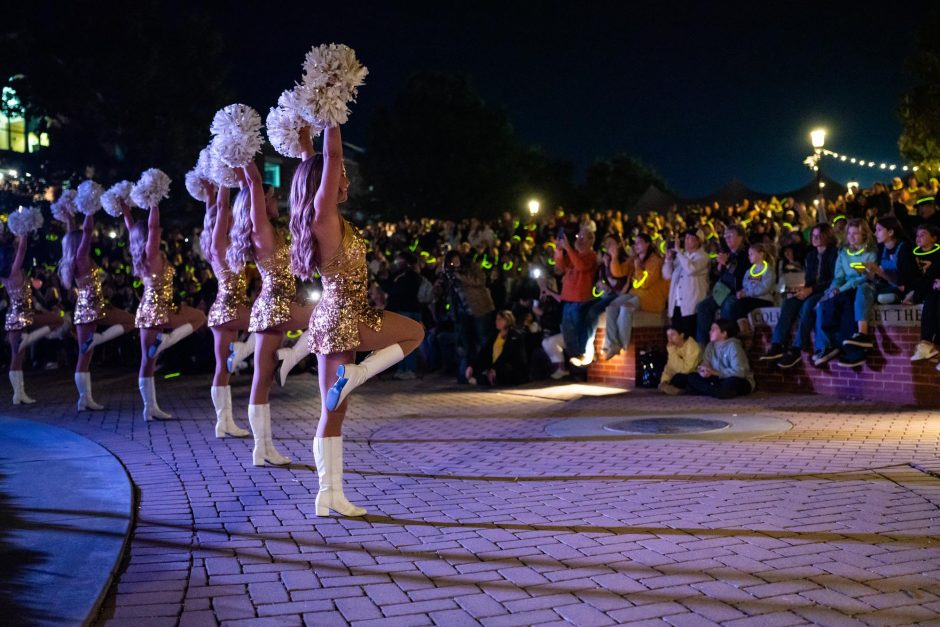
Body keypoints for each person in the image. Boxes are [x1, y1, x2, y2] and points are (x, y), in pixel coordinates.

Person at [290, 125, 424, 517]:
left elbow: (314, 165)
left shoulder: (319, 216)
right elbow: (329, 160)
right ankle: (359, 374)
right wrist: (333, 116)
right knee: (415, 332)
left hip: (336, 317)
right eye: (341, 173)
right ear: (324, 184)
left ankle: (328, 495)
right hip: (345, 316)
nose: (344, 177)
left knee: (334, 412)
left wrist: (304, 146)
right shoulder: (324, 217)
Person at [228, 161, 312, 465]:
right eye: (272, 196)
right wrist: (245, 152)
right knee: (328, 316)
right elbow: (252, 184)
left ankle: (262, 450)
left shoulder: (269, 231)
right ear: (260, 202)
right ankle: (290, 357)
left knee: (261, 380)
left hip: (271, 306)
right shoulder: (261, 229)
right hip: (276, 304)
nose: (276, 201)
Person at [123, 198, 207, 421]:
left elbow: (133, 229)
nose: (158, 232)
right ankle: (165, 342)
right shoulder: (150, 254)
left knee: (147, 361)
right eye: (155, 231)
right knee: (199, 317)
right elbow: (151, 226)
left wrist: (126, 212)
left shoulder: (139, 254)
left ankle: (149, 408)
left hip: (151, 308)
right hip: (159, 308)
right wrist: (154, 202)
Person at [60, 212, 135, 411]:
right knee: (86, 354)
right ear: (79, 243)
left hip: (89, 306)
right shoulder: (82, 257)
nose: (90, 240)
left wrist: (69, 217)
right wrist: (89, 211)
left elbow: (75, 233)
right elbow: (86, 230)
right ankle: (85, 399)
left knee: (86, 354)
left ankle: (85, 399)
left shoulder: (72, 258)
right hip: (92, 307)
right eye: (85, 239)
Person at [203, 182, 251, 438]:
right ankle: (224, 421)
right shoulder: (218, 246)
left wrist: (210, 193)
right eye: (228, 218)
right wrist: (223, 180)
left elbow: (215, 208)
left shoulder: (219, 246)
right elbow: (221, 207)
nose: (232, 219)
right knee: (272, 322)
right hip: (229, 309)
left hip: (225, 311)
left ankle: (224, 422)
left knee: (223, 367)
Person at [1, 231, 64, 404]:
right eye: (13, 252)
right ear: (10, 256)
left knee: (18, 355)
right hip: (21, 315)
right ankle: (18, 394)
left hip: (21, 314)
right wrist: (23, 234)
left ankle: (19, 394)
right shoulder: (13, 269)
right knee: (17, 357)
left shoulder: (9, 272)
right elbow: (22, 249)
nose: (16, 254)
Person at [765, 223, 838, 368]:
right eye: (813, 235)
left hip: (826, 291)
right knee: (789, 303)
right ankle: (777, 344)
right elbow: (810, 279)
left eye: (819, 235)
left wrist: (811, 290)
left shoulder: (834, 253)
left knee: (807, 306)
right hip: (810, 289)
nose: (815, 238)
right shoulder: (811, 255)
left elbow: (833, 279)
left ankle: (797, 348)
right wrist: (803, 290)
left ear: (828, 236)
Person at [811, 218, 877, 366]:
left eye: (856, 234)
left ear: (864, 235)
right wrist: (832, 289)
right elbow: (839, 277)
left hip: (862, 287)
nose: (851, 237)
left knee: (847, 306)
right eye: (849, 233)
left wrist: (840, 289)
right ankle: (828, 347)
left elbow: (863, 278)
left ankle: (854, 353)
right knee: (825, 303)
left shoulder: (871, 252)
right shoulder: (843, 253)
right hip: (845, 288)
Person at [599, 232, 668, 361]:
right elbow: (619, 272)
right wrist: (614, 258)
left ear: (648, 244)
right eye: (635, 242)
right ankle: (613, 343)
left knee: (625, 307)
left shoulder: (655, 261)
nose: (636, 245)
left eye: (639, 242)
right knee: (611, 307)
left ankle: (621, 344)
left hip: (650, 297)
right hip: (635, 294)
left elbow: (645, 284)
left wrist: (637, 268)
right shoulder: (635, 258)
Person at [669, 319, 754, 399]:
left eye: (713, 330)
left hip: (737, 379)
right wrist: (703, 371)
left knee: (730, 383)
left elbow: (740, 372)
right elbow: (705, 363)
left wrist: (716, 373)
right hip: (716, 379)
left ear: (724, 333)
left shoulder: (733, 346)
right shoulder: (710, 346)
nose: (710, 332)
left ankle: (706, 390)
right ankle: (716, 391)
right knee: (687, 377)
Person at [695, 225, 749, 346]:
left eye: (730, 236)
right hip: (722, 291)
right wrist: (719, 267)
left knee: (728, 305)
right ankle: (703, 344)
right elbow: (717, 275)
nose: (727, 239)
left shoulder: (747, 254)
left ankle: (725, 342)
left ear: (741, 237)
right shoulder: (728, 254)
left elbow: (743, 275)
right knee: (703, 307)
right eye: (726, 237)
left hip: (738, 292)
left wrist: (727, 264)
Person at [554, 227, 598, 366]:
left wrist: (568, 248)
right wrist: (559, 250)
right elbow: (560, 267)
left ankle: (585, 357)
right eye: (578, 236)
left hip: (581, 299)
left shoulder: (591, 256)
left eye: (583, 237)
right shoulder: (573, 254)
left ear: (591, 240)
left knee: (580, 330)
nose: (578, 240)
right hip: (568, 298)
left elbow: (580, 266)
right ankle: (575, 361)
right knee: (568, 331)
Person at [663, 228, 710, 339]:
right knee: (675, 339)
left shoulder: (703, 257)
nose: (687, 240)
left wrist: (679, 252)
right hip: (676, 305)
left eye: (690, 238)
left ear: (699, 241)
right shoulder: (681, 256)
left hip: (692, 306)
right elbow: (667, 275)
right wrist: (668, 259)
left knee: (689, 340)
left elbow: (691, 269)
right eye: (686, 238)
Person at [465, 310, 528, 386]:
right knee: (468, 371)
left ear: (508, 321)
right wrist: (472, 366)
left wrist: (494, 368)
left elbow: (506, 354)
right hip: (495, 366)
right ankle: (484, 379)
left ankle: (482, 380)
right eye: (496, 319)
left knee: (504, 371)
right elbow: (484, 351)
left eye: (500, 319)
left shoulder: (515, 335)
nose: (496, 321)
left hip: (508, 367)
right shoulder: (494, 335)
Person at [729, 243, 777, 340]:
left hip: (763, 299)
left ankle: (745, 331)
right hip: (750, 298)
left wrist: (747, 293)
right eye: (749, 254)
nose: (749, 256)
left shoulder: (768, 271)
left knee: (741, 304)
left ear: (760, 254)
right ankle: (738, 333)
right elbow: (745, 284)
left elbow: (764, 288)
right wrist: (742, 292)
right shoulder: (749, 271)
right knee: (734, 305)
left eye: (751, 254)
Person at [658, 325, 702, 395]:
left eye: (672, 335)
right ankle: (671, 388)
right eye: (668, 336)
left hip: (693, 374)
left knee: (679, 378)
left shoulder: (692, 346)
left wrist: (671, 351)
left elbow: (687, 370)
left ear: (681, 335)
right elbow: (669, 366)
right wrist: (664, 380)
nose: (670, 338)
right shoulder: (673, 346)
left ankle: (681, 390)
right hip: (679, 372)